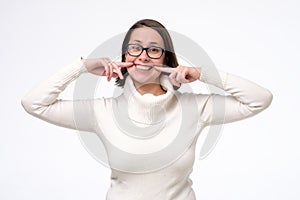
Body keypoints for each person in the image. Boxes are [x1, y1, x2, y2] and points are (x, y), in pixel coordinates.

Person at [21, 19, 273, 200]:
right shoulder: (102, 111)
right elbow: (35, 103)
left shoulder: (195, 108)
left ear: (166, 60)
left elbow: (259, 99)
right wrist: (83, 67)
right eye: (135, 48)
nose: (143, 56)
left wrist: (202, 74)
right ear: (125, 57)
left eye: (153, 49)